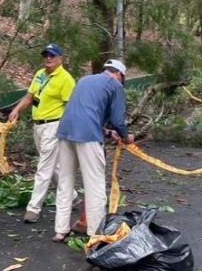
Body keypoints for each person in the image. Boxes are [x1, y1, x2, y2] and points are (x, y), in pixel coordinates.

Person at [52, 59, 134, 242]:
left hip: (66, 132)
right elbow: (117, 120)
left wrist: (107, 132)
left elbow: (84, 112)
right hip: (88, 136)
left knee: (65, 182)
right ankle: (95, 234)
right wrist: (126, 137)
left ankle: (60, 230)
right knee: (95, 185)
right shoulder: (115, 85)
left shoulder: (84, 80)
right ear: (120, 75)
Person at [8, 43, 76, 223]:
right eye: (46, 55)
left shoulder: (65, 79)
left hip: (54, 126)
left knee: (43, 167)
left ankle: (33, 208)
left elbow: (70, 106)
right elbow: (30, 97)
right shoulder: (40, 74)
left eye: (52, 56)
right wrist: (16, 111)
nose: (48, 58)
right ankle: (73, 195)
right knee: (52, 165)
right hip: (38, 125)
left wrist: (66, 129)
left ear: (60, 59)